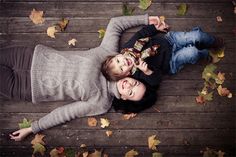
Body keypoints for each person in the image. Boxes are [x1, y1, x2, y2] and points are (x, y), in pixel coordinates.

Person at [2, 14, 160, 141]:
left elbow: (65, 113)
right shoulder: (109, 57)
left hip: (25, 86)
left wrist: (32, 128)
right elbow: (115, 24)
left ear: (125, 99)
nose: (129, 86)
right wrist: (146, 20)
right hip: (28, 56)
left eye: (131, 92)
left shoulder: (102, 103)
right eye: (135, 83)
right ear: (132, 76)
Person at [101, 24, 224, 85]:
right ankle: (203, 53)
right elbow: (155, 81)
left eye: (118, 61)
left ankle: (210, 41)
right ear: (126, 73)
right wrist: (147, 71)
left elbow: (140, 34)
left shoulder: (127, 47)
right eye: (121, 68)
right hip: (171, 62)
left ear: (118, 55)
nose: (122, 63)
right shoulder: (137, 74)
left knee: (196, 37)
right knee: (192, 53)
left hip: (169, 41)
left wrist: (155, 28)